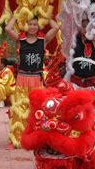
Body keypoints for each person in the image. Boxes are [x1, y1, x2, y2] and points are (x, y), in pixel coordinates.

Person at [5, 16, 59, 149]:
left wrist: (45, 14)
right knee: (19, 108)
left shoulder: (43, 40)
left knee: (38, 108)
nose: (33, 27)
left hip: (36, 79)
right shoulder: (20, 40)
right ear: (25, 25)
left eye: (35, 24)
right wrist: (17, 15)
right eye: (30, 24)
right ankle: (15, 139)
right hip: (23, 78)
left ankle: (38, 138)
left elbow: (56, 27)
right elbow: (7, 28)